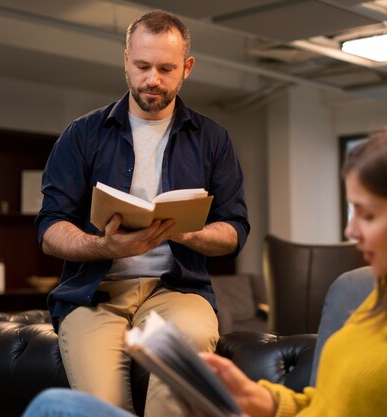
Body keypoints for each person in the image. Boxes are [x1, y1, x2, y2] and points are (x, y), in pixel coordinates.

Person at [25, 120, 387, 417]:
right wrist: (261, 400)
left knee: (55, 409)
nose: (351, 231)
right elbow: (325, 407)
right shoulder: (378, 305)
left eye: (367, 214)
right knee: (59, 408)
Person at [34, 9, 249, 417]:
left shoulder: (213, 139)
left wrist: (187, 234)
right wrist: (103, 245)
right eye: (143, 66)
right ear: (126, 61)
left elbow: (235, 230)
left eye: (166, 68)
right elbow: (49, 228)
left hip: (177, 291)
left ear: (187, 68)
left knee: (184, 364)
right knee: (100, 407)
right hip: (95, 296)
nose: (153, 80)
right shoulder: (82, 135)